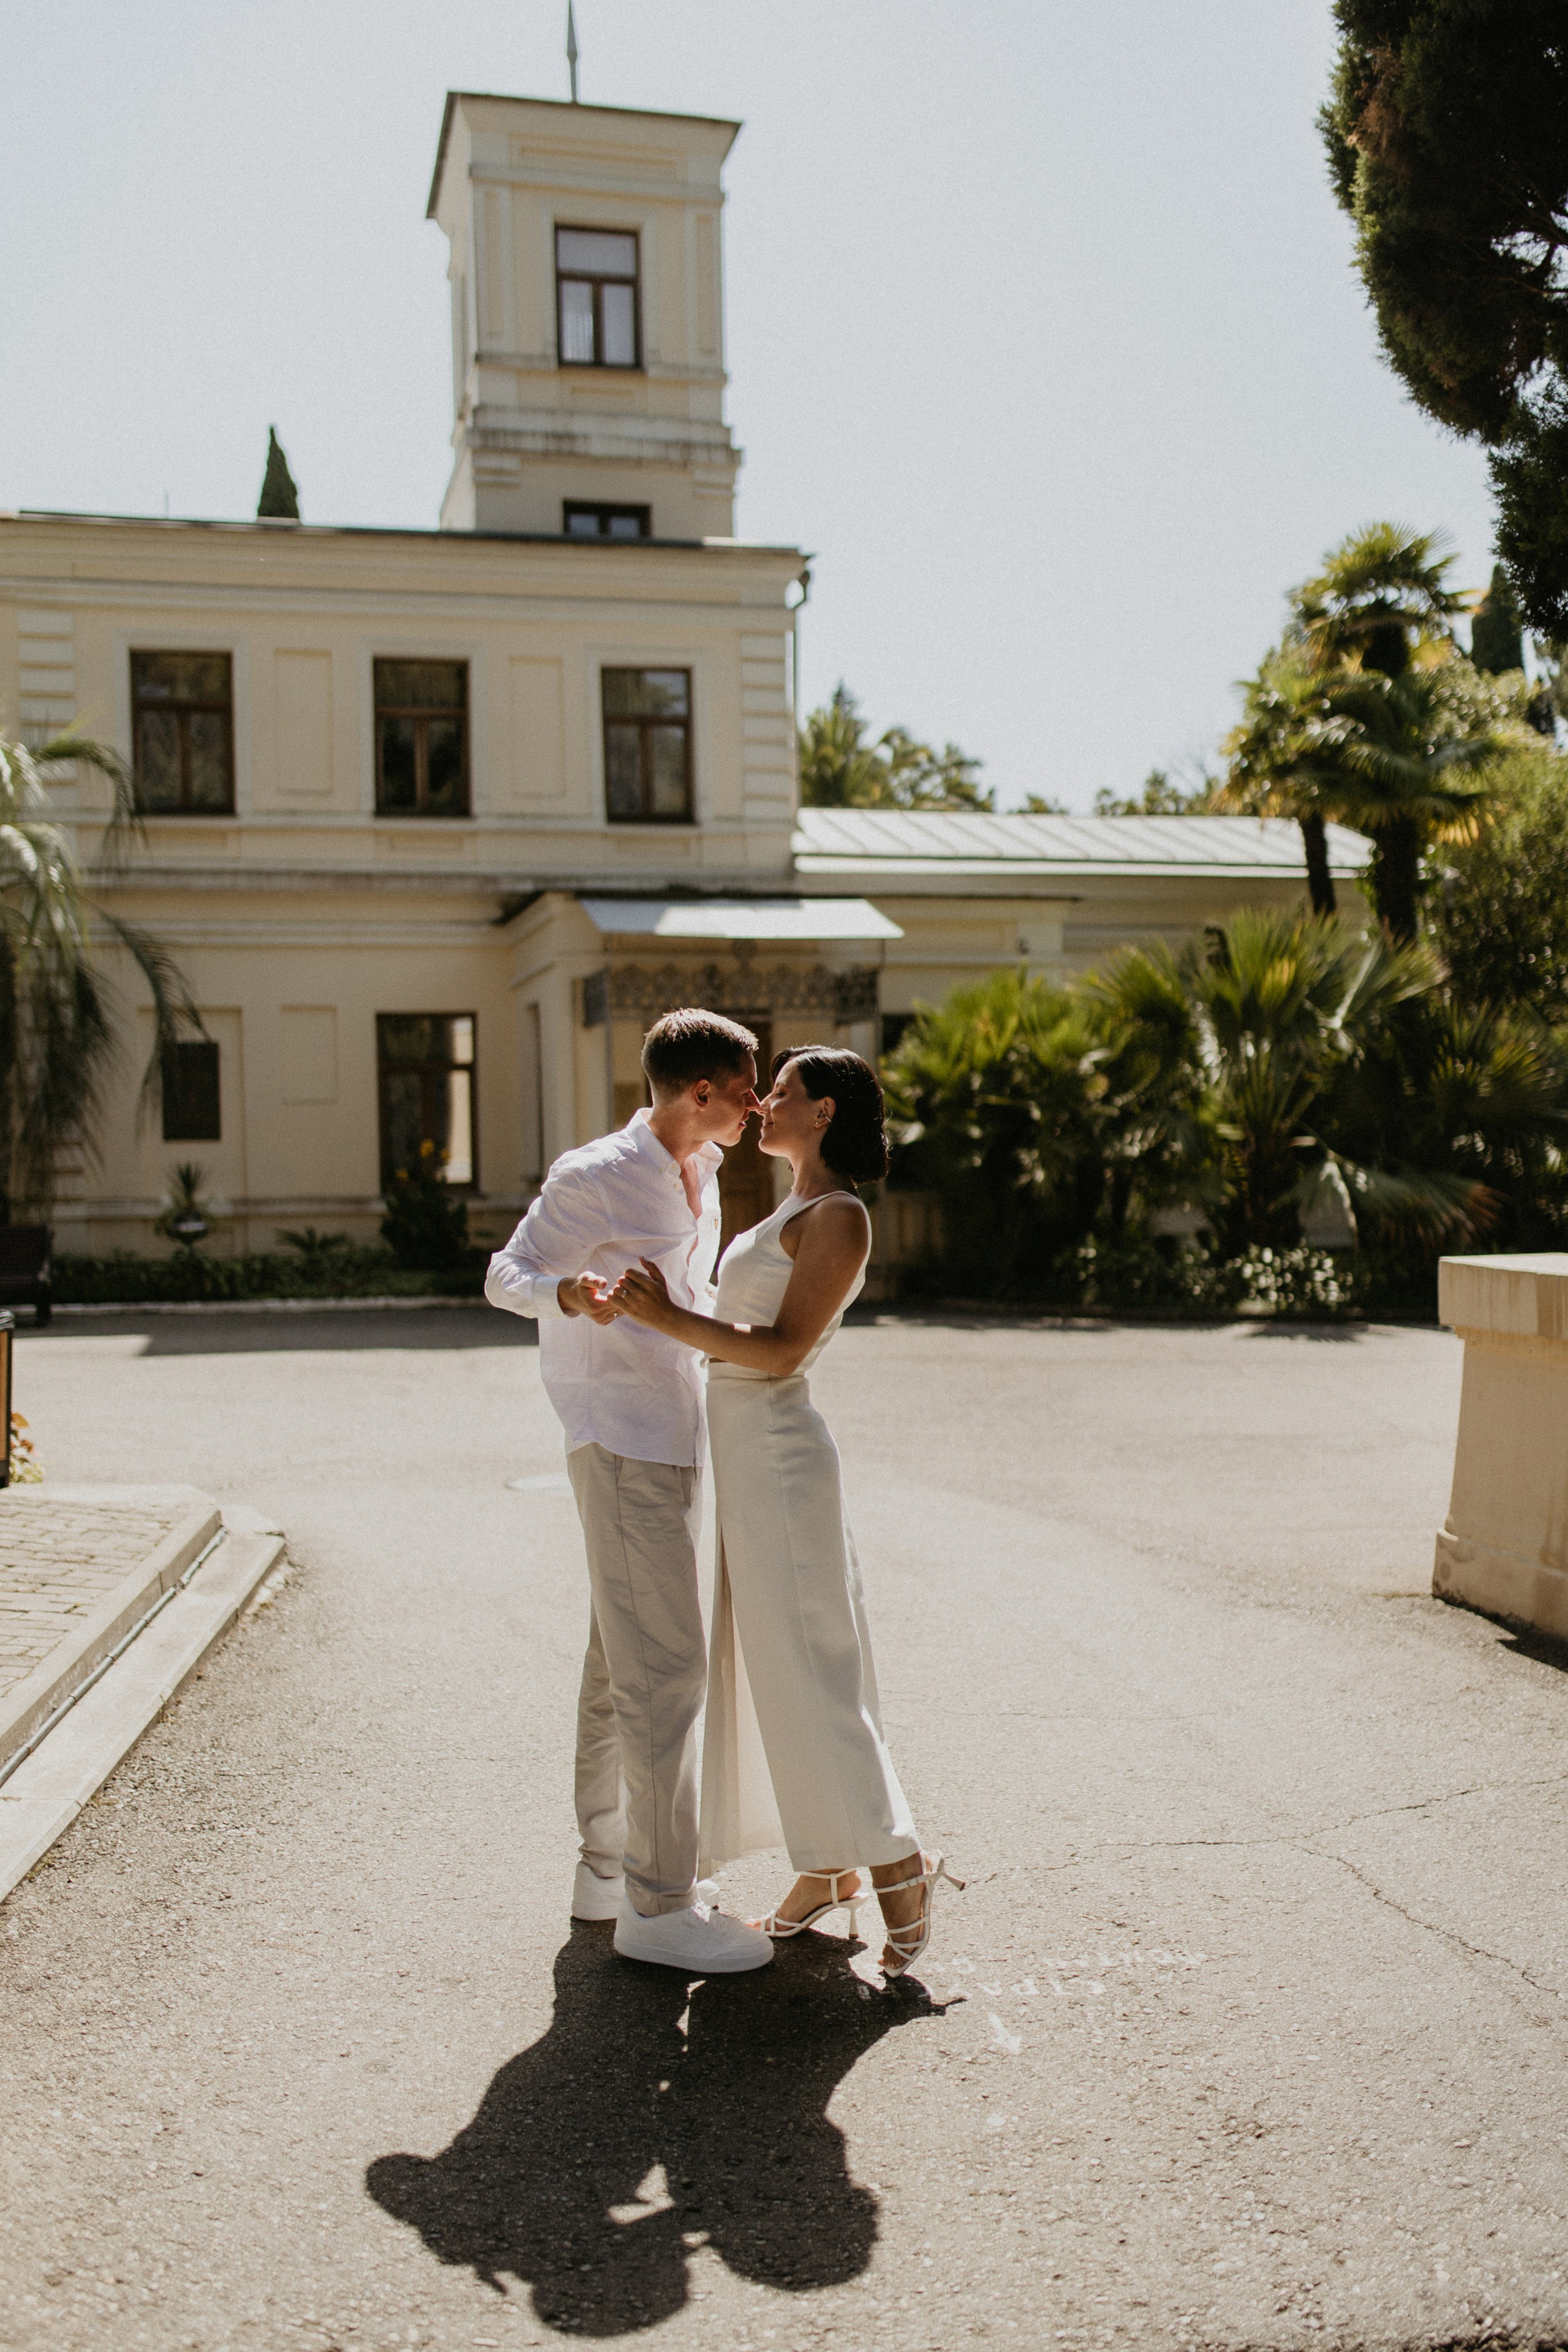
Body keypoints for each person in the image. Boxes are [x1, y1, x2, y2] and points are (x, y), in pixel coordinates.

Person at [611, 1046, 962, 1978]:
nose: (764, 1102)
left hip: (777, 1453)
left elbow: (779, 1352)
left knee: (812, 1664)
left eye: (785, 1093)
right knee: (772, 1665)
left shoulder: (839, 1216)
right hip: (744, 1458)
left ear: (827, 1112)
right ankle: (825, 1866)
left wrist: (660, 1318)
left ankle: (899, 1860)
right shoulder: (792, 1207)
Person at [485, 1008, 772, 1974]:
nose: (758, 1101)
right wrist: (567, 1295)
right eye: (746, 1086)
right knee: (668, 1669)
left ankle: (606, 1871)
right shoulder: (594, 1175)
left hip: (674, 1434)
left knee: (620, 1660)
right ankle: (661, 1902)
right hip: (619, 1439)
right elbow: (505, 1272)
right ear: (701, 1092)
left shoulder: (707, 1170)